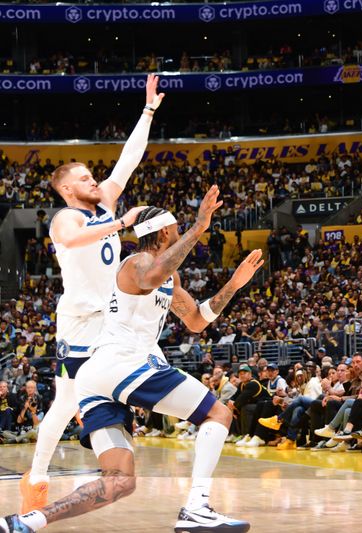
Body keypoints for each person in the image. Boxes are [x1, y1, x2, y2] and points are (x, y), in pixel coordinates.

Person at [2, 187, 263, 533]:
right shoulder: (136, 263)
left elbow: (197, 320)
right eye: (177, 228)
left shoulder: (168, 277)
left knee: (119, 482)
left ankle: (26, 522)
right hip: (124, 362)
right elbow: (153, 274)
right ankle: (197, 506)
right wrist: (200, 226)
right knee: (219, 412)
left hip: (98, 377)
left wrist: (233, 284)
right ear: (167, 231)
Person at [18, 75, 164, 515]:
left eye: (92, 174)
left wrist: (148, 111)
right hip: (81, 324)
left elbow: (128, 162)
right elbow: (78, 239)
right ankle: (39, 477)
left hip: (116, 319)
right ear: (67, 189)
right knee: (65, 403)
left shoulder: (104, 204)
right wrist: (121, 224)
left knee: (155, 369)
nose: (95, 180)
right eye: (85, 177)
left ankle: (120, 437)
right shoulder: (65, 218)